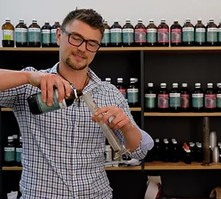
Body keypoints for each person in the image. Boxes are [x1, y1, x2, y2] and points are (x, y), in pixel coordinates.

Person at [0, 9, 153, 198]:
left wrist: (127, 127)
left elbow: (138, 152)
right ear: (58, 36)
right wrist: (27, 76)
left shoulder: (110, 92)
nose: (82, 48)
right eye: (76, 38)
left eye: (92, 43)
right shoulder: (29, 85)